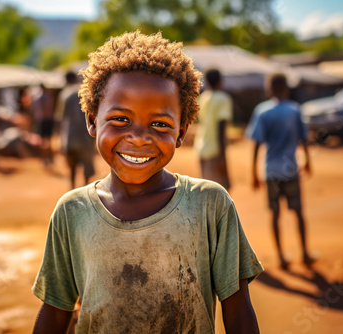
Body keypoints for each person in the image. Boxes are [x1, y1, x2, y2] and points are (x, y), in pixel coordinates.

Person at [32, 31, 263, 333]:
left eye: (159, 124)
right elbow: (55, 313)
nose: (139, 137)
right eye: (120, 119)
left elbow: (238, 313)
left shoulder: (210, 205)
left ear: (181, 131)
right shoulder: (71, 211)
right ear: (92, 120)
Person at [248, 73, 315, 270]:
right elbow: (304, 139)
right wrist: (308, 161)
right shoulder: (294, 110)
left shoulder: (263, 111)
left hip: (271, 172)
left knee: (275, 214)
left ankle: (281, 257)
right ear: (286, 88)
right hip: (291, 169)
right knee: (299, 213)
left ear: (270, 90)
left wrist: (254, 172)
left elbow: (257, 144)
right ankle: (304, 253)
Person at [194, 69, 232, 190]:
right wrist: (222, 158)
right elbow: (221, 128)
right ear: (220, 81)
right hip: (215, 151)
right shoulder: (223, 98)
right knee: (220, 192)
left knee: (208, 191)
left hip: (201, 147)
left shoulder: (203, 98)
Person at [57, 71, 96, 189]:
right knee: (87, 166)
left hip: (70, 137)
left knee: (72, 167)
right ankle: (86, 190)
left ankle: (72, 189)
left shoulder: (64, 95)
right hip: (86, 136)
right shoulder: (85, 93)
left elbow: (61, 117)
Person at [33, 84, 55, 167]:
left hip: (42, 121)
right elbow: (50, 109)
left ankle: (45, 159)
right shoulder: (48, 97)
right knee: (48, 141)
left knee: (43, 142)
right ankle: (49, 158)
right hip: (47, 120)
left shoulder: (37, 98)